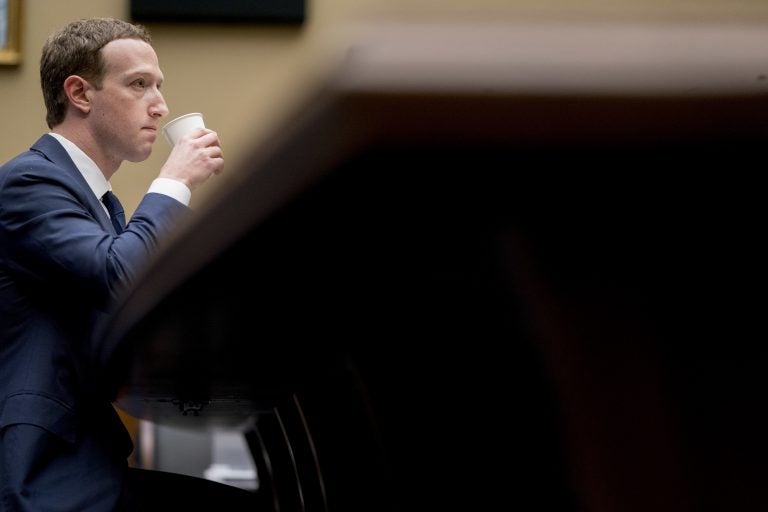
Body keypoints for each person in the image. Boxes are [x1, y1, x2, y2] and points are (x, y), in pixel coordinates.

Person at [0, 17, 258, 511]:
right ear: (79, 92)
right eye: (139, 84)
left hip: (85, 460)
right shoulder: (30, 182)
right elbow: (122, 277)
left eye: (159, 87)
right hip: (42, 473)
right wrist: (175, 181)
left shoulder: (97, 203)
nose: (159, 105)